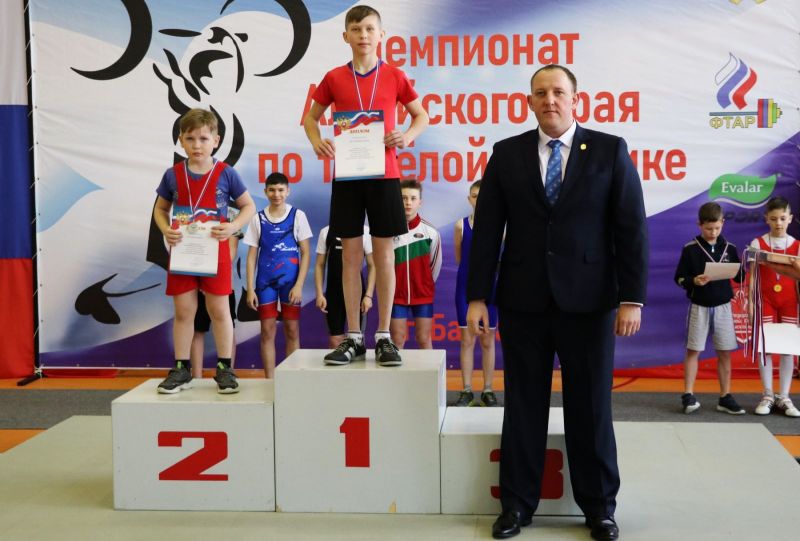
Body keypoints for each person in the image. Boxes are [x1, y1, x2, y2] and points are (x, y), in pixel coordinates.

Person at [466, 65, 648, 541]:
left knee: (591, 407)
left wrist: (632, 299)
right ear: (529, 101)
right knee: (523, 404)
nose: (550, 99)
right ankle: (516, 506)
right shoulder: (506, 153)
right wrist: (478, 296)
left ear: (575, 99)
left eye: (559, 92)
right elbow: (487, 230)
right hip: (523, 301)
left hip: (591, 302)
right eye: (541, 93)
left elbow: (631, 228)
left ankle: (600, 508)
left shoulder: (609, 149)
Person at [303, 4, 429, 367]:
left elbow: (421, 115)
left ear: (381, 35)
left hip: (385, 177)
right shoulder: (333, 77)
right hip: (348, 177)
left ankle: (384, 336)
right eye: (356, 30)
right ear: (346, 36)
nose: (363, 35)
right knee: (350, 257)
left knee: (385, 256)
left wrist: (406, 136)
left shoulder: (395, 75)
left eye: (370, 29)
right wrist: (317, 141)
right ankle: (354, 337)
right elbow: (311, 119)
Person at [153, 108, 255, 394]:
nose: (196, 145)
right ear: (180, 141)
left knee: (220, 310)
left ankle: (225, 368)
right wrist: (165, 229)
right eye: (190, 139)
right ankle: (181, 369)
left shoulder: (227, 173)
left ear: (216, 141)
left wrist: (232, 226)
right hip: (183, 251)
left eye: (203, 138)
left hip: (215, 251)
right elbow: (160, 210)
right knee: (184, 311)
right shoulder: (172, 175)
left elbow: (248, 206)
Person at [674, 202, 744, 415]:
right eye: (708, 228)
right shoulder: (690, 248)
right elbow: (679, 277)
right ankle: (688, 394)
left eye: (717, 228)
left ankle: (725, 396)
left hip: (723, 306)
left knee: (725, 352)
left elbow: (740, 277)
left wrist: (744, 267)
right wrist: (694, 280)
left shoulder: (730, 248)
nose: (713, 232)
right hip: (699, 306)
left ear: (723, 223)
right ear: (699, 225)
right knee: (693, 350)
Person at [244, 172, 312, 379]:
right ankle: (270, 381)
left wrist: (299, 285)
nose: (277, 194)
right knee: (267, 331)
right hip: (265, 285)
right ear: (265, 192)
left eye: (281, 190)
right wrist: (250, 289)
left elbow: (306, 253)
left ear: (288, 191)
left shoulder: (298, 216)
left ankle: (292, 380)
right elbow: (251, 257)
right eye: (272, 190)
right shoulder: (258, 218)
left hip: (291, 284)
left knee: (292, 330)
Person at [749, 196, 800, 417]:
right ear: (766, 219)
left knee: (788, 348)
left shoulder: (798, 246)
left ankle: (784, 396)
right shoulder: (757, 244)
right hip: (765, 300)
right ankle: (768, 395)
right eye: (773, 218)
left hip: (789, 301)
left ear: (790, 218)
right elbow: (752, 277)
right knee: (766, 347)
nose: (778, 223)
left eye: (782, 218)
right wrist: (751, 304)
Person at [454, 180, 498, 407]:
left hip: (492, 289)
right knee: (467, 339)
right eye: (474, 196)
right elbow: (460, 259)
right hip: (465, 287)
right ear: (469, 199)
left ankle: (488, 389)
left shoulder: (502, 226)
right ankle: (467, 389)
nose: (479, 200)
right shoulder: (460, 225)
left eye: (483, 195)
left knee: (488, 340)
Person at [390, 179, 442, 350]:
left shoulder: (431, 232)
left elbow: (435, 265)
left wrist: (423, 284)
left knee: (424, 338)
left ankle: (430, 371)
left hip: (423, 294)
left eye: (413, 198)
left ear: (420, 202)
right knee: (397, 339)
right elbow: (383, 265)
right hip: (396, 295)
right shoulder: (388, 232)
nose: (408, 203)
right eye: (404, 198)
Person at [314, 225, 376, 349]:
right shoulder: (326, 232)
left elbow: (372, 265)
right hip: (334, 294)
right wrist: (319, 294)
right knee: (335, 340)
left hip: (357, 295)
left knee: (358, 340)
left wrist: (368, 295)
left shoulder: (365, 231)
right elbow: (320, 265)